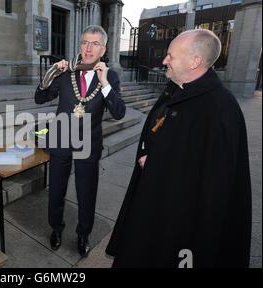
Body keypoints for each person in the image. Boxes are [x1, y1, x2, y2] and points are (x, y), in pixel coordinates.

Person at [106, 29, 252, 268]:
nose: (164, 61)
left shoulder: (220, 109)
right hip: (155, 204)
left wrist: (156, 163)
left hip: (180, 226)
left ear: (195, 61)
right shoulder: (178, 88)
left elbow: (213, 181)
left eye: (171, 56)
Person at [35, 25, 126, 257]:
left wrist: (104, 82)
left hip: (89, 144)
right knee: (56, 190)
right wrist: (49, 75)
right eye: (85, 42)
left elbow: (118, 113)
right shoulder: (66, 72)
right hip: (61, 139)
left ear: (103, 49)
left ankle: (83, 234)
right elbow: (40, 97)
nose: (88, 48)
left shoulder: (110, 76)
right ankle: (56, 228)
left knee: (87, 193)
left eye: (94, 44)